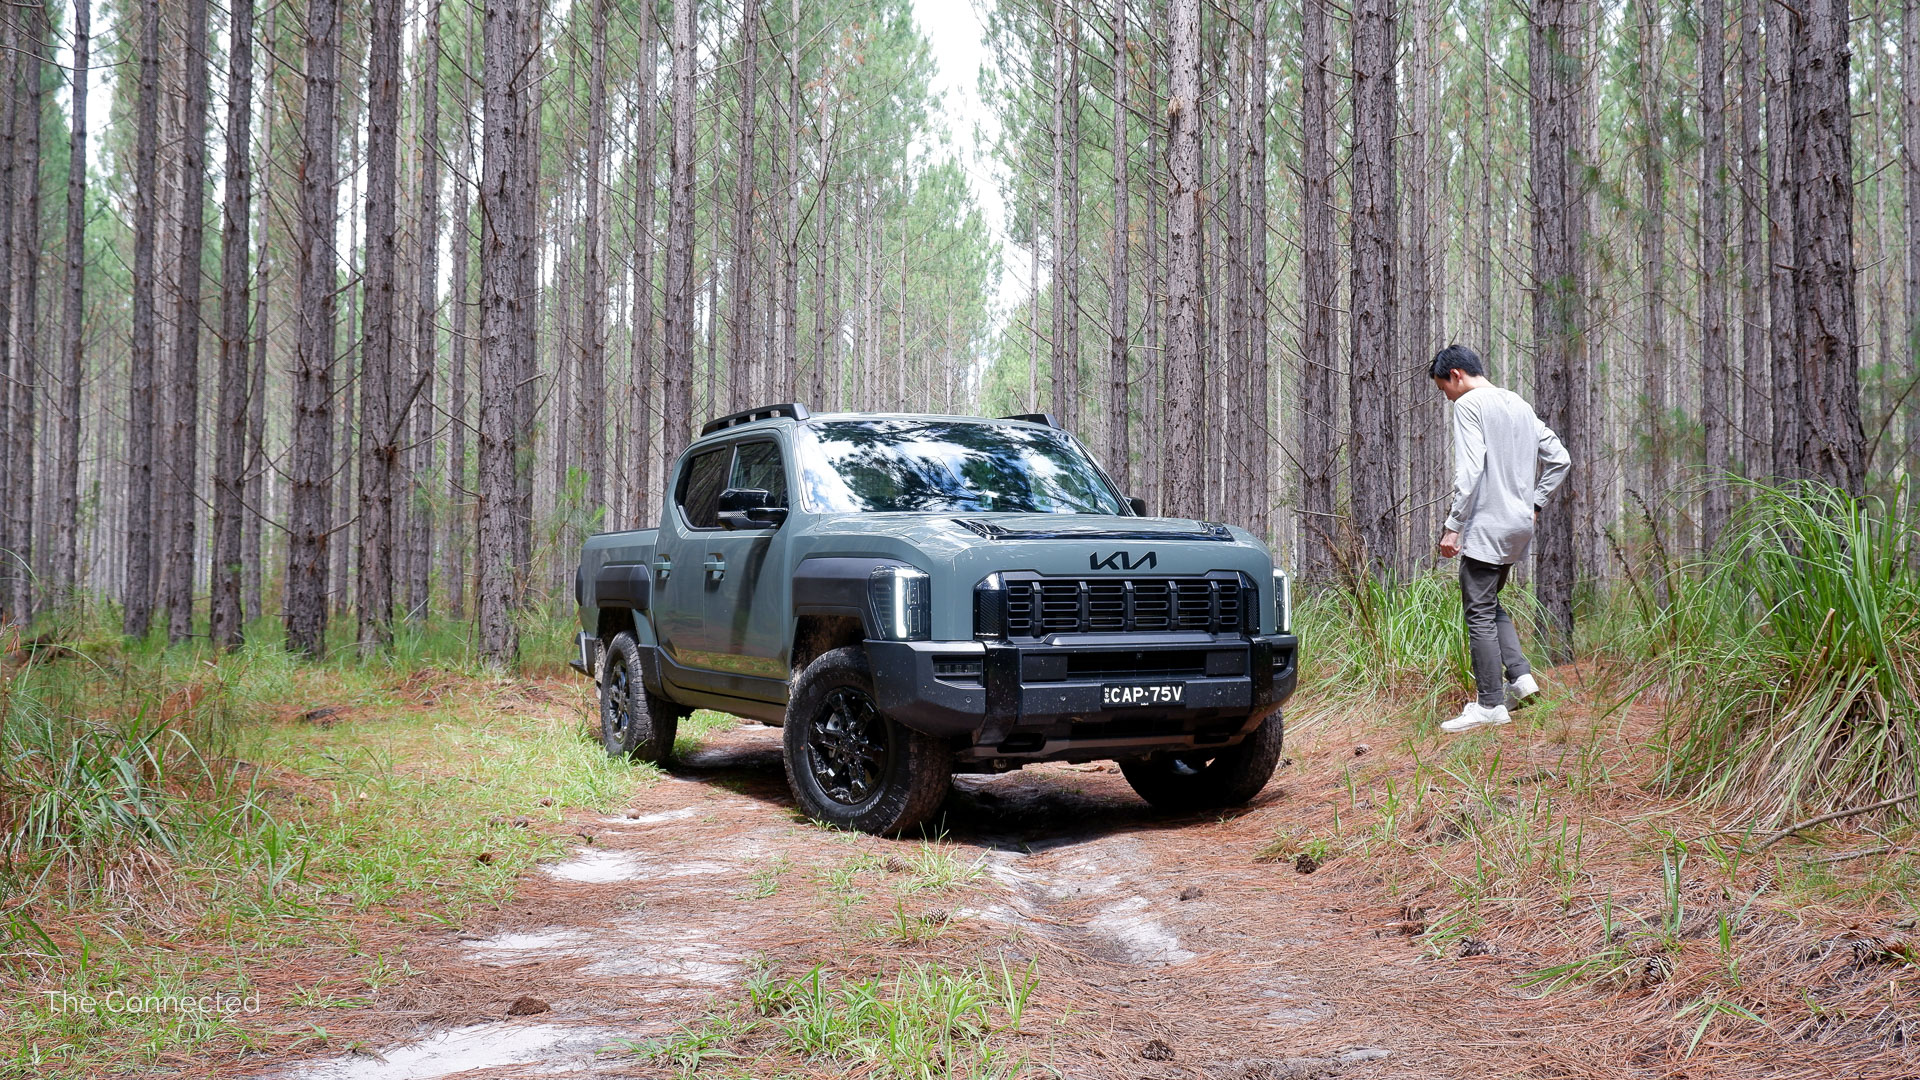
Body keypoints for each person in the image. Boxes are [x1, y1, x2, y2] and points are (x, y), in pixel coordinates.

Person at [1429, 344, 1570, 734]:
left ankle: (1490, 702)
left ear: (1456, 374)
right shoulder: (1519, 404)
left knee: (1477, 610)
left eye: (1444, 388)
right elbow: (1560, 458)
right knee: (1489, 602)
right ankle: (1521, 679)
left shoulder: (1469, 405)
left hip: (1488, 524)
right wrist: (1536, 503)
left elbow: (1471, 471)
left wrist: (1453, 524)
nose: (1447, 397)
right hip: (1518, 524)